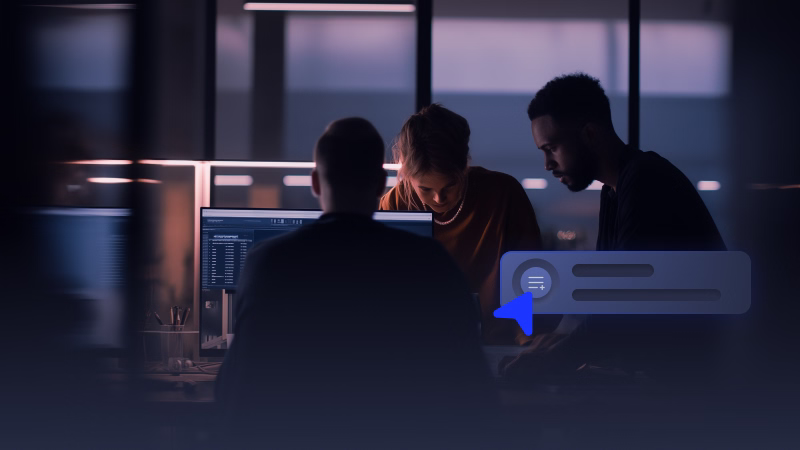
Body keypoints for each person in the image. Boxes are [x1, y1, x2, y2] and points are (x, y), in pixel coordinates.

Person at [215, 118, 498, 448]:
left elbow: (235, 394)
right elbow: (476, 392)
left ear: (316, 183)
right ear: (381, 184)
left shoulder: (266, 262)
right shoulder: (431, 262)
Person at [502, 73, 727, 381]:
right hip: (659, 372)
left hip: (690, 383)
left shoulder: (645, 180)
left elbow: (625, 305)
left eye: (551, 148)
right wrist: (560, 343)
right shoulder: (614, 190)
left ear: (590, 134)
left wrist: (557, 356)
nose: (547, 164)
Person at [380, 104, 550, 345]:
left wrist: (530, 344)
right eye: (425, 189)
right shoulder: (395, 204)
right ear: (407, 175)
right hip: (423, 346)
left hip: (501, 344)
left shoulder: (503, 194)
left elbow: (533, 285)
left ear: (465, 166)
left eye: (450, 185)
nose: (439, 199)